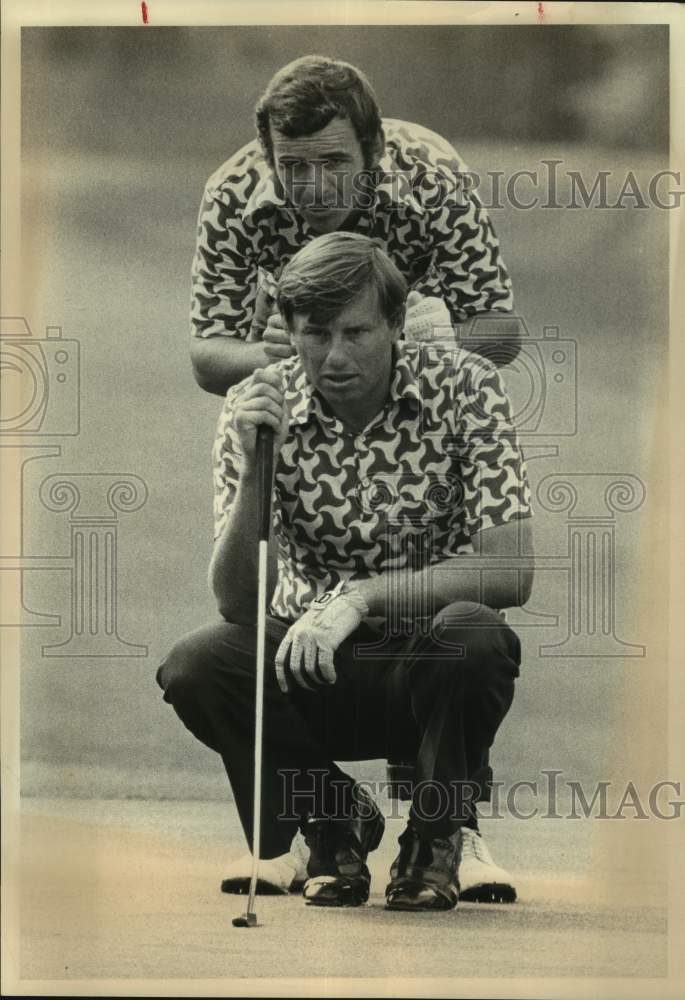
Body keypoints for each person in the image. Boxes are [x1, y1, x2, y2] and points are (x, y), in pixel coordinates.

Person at [159, 233, 534, 911]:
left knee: (475, 634)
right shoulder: (258, 405)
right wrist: (254, 473)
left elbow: (509, 568)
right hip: (309, 666)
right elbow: (239, 604)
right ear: (290, 330)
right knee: (197, 662)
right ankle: (331, 819)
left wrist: (360, 596)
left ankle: (434, 838)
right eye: (315, 333)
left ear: (394, 324)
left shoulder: (465, 389)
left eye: (356, 332)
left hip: (428, 670)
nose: (334, 357)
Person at [189, 54, 522, 397]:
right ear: (268, 155)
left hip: (422, 362)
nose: (316, 188)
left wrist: (424, 342)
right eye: (293, 166)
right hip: (301, 359)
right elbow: (207, 357)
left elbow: (503, 331)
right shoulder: (232, 192)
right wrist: (273, 353)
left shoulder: (434, 176)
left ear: (375, 148)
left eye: (334, 162)